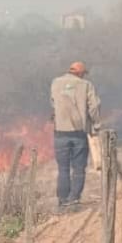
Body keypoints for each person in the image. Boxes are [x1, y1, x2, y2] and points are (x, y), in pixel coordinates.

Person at [50, 61, 101, 209]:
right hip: (79, 133)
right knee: (78, 168)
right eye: (83, 74)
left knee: (63, 169)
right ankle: (73, 199)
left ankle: (62, 200)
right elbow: (94, 107)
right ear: (80, 73)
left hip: (60, 133)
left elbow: (53, 103)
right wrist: (96, 125)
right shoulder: (86, 85)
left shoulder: (56, 83)